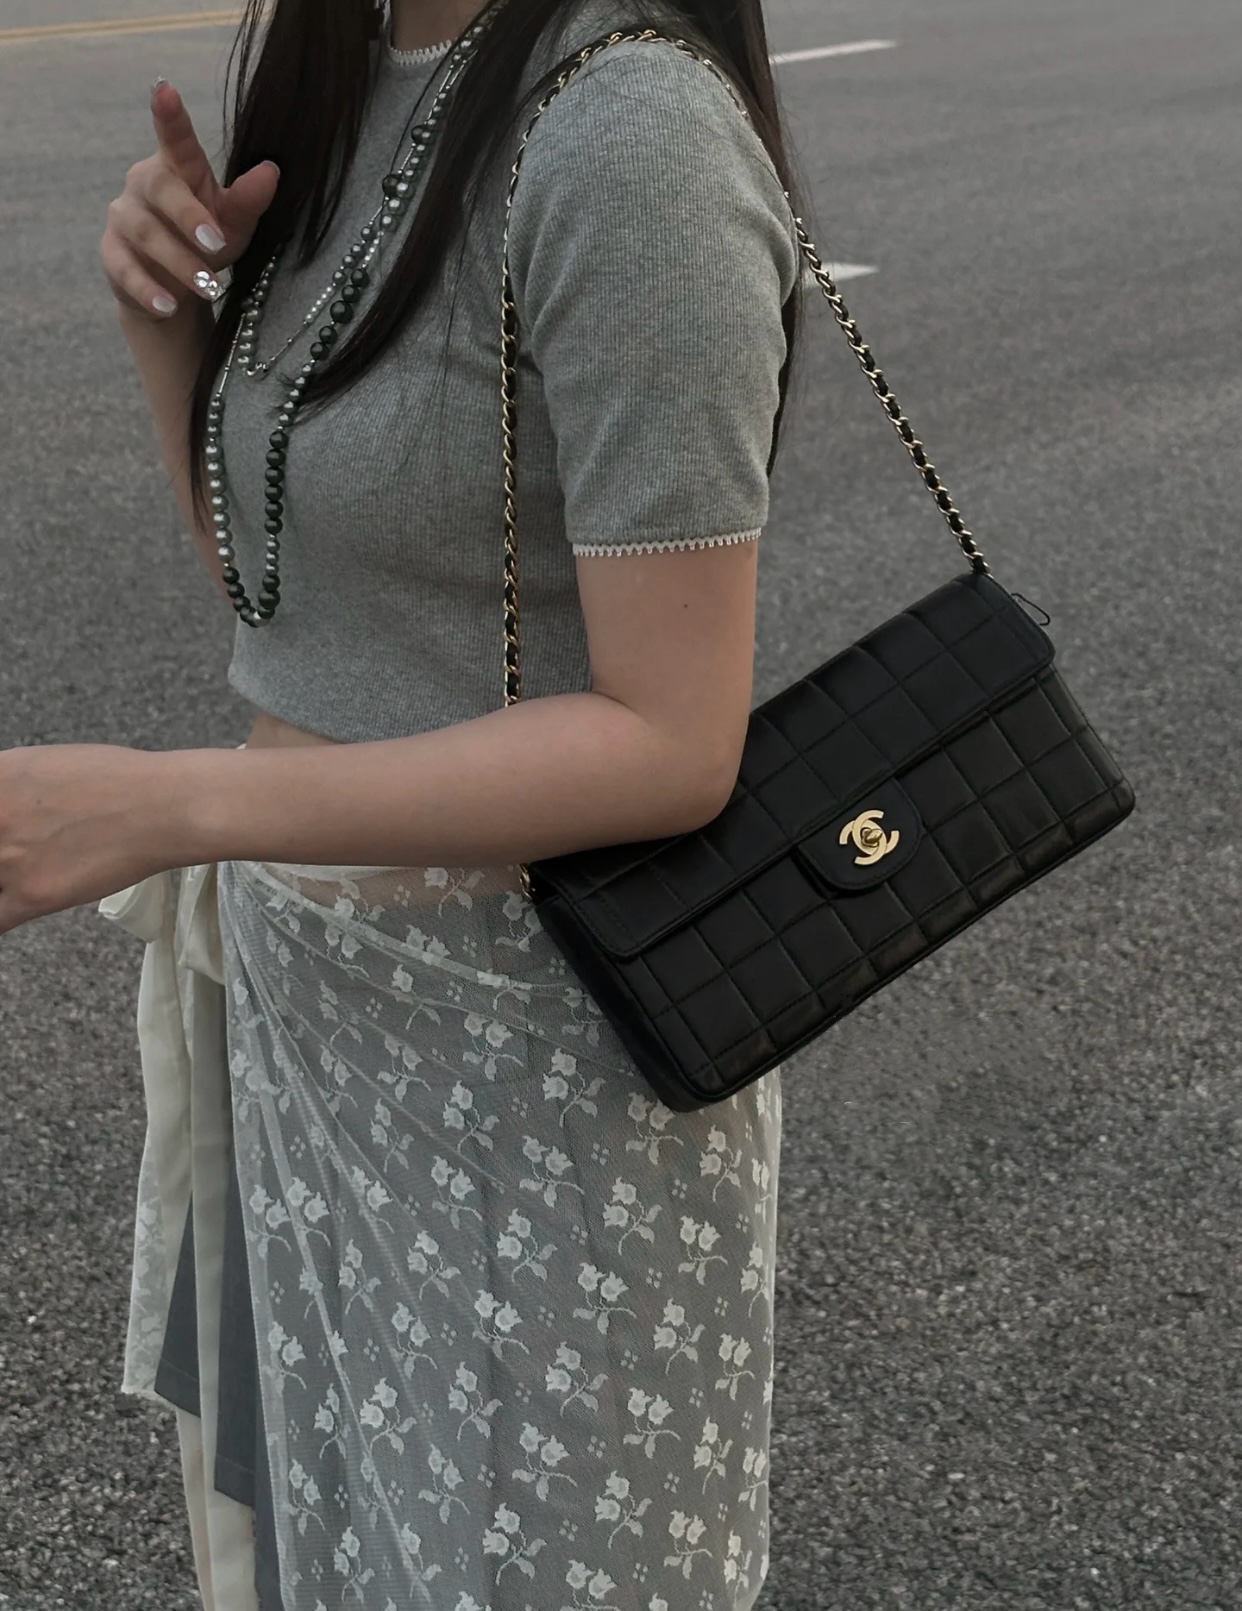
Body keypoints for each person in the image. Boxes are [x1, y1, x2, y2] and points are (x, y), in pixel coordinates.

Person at [1, 0, 805, 1604]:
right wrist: (169, 321)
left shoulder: (627, 131)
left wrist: (171, 808)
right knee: (346, 1549)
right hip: (321, 1020)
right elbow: (298, 603)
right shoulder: (353, 82)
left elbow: (671, 738)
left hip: (535, 1056)